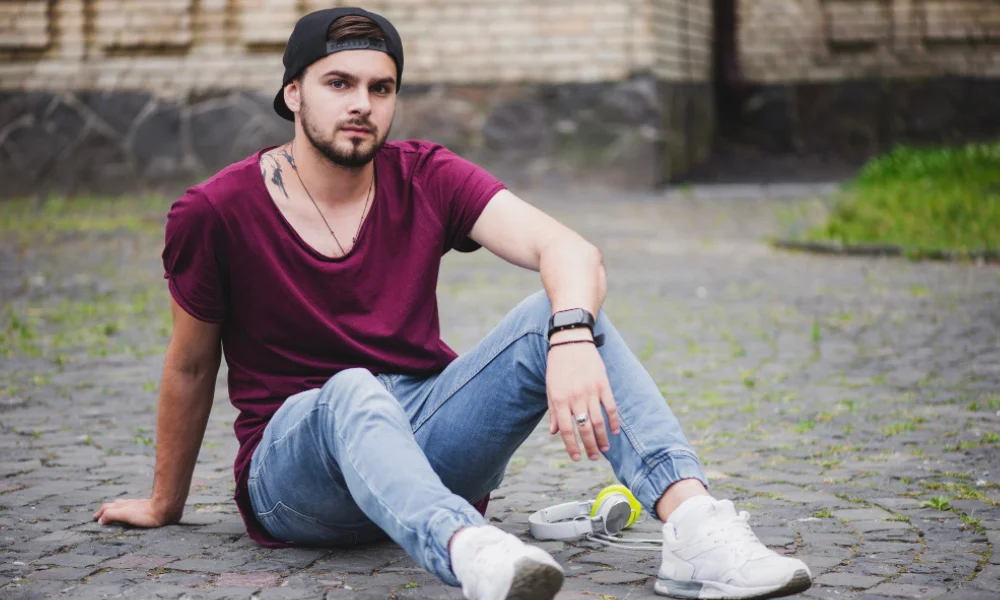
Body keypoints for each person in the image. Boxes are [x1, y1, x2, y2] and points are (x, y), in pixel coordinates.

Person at [93, 7, 813, 600]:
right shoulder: (215, 211)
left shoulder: (424, 177)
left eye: (380, 88)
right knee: (351, 391)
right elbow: (190, 366)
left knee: (556, 314)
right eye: (338, 83)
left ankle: (695, 529)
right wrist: (164, 502)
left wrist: (568, 337)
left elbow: (571, 252)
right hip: (296, 473)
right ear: (293, 93)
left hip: (424, 442)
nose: (360, 105)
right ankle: (467, 550)